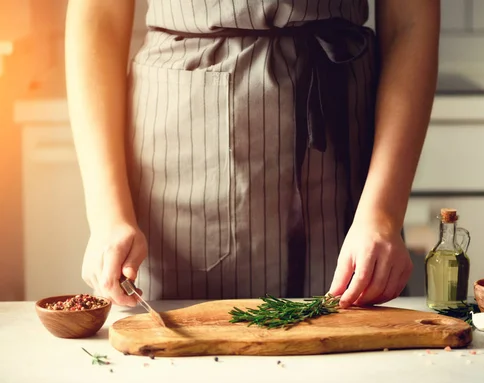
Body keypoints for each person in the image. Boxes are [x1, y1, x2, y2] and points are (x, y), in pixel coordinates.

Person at [65, 0, 440, 309]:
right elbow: (97, 18)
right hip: (179, 160)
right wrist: (107, 216)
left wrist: (383, 214)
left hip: (345, 162)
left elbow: (412, 21)